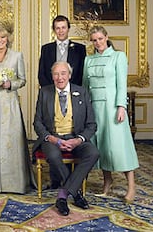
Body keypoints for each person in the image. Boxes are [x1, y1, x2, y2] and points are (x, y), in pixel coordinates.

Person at [32, 61, 99, 216]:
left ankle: (63, 194)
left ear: (69, 75)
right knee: (53, 156)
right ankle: (75, 193)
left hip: (76, 138)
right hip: (53, 139)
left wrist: (78, 140)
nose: (59, 77)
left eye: (63, 73)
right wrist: (53, 139)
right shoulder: (45, 92)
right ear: (52, 76)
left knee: (93, 153)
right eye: (56, 74)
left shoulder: (81, 92)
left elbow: (91, 124)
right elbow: (37, 122)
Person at [82, 25, 139, 203]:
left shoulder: (118, 56)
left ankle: (131, 186)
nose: (97, 42)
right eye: (94, 40)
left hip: (113, 108)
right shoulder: (88, 60)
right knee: (101, 146)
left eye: (100, 38)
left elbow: (122, 84)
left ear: (106, 37)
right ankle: (107, 181)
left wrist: (121, 106)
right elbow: (85, 87)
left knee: (119, 147)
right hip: (94, 108)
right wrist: (84, 109)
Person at [0, 21, 33, 194]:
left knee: (12, 140)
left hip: (10, 103)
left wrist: (10, 84)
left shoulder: (17, 56)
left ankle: (14, 184)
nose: (0, 40)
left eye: (3, 37)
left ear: (8, 38)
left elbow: (22, 80)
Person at [38, 15, 86, 189]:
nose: (60, 31)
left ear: (68, 28)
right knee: (53, 133)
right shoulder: (47, 49)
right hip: (52, 95)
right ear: (54, 30)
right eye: (57, 28)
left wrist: (71, 92)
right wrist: (51, 94)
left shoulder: (80, 49)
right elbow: (42, 73)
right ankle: (56, 180)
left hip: (71, 94)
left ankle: (70, 178)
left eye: (63, 27)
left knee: (70, 134)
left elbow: (80, 74)